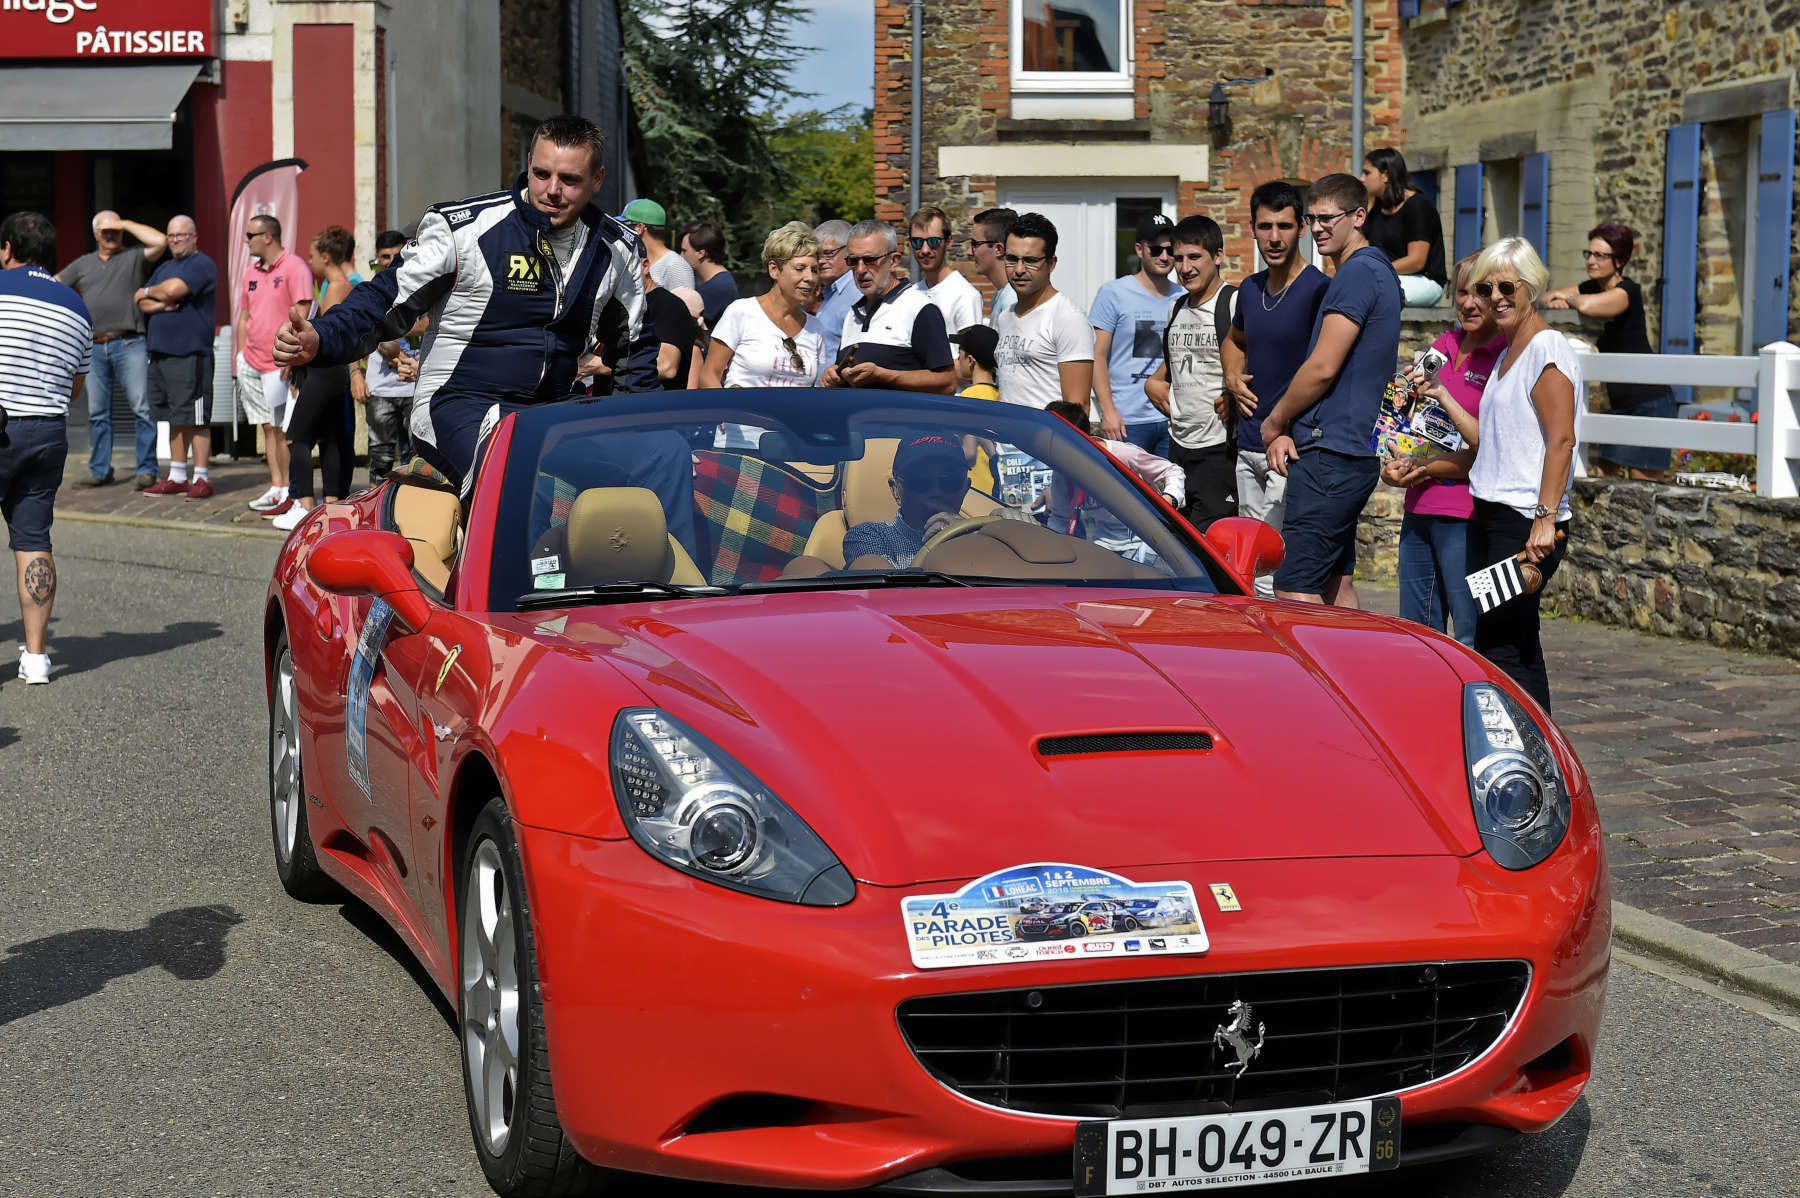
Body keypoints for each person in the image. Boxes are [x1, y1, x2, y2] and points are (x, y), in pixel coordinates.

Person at [274, 115, 646, 485]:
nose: (551, 190)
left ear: (597, 179)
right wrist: (322, 336)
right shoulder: (464, 230)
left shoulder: (616, 247)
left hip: (555, 408)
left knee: (661, 461)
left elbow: (636, 351)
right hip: (459, 406)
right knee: (517, 476)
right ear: (528, 164)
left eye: (569, 180)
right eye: (541, 173)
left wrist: (636, 434)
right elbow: (385, 295)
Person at [1413, 238, 1579, 712]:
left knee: (1504, 644)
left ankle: (1534, 753)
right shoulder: (1509, 353)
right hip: (1490, 518)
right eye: (1486, 288)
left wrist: (1545, 520)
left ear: (1531, 288)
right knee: (1505, 639)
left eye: (1507, 286)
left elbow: (1561, 441)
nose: (1495, 297)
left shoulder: (1546, 349)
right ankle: (1532, 755)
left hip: (1523, 523)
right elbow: (1497, 442)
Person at [1260, 172, 1403, 608]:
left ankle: (1310, 679)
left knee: (1293, 587)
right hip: (1349, 454)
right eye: (1312, 219)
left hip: (1331, 455)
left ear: (1359, 217)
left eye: (1328, 218)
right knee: (1335, 585)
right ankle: (1357, 676)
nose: (1317, 228)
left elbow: (1322, 367)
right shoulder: (1376, 271)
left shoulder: (1357, 275)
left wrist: (1276, 418)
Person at [1380, 255, 1501, 647]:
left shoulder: (1504, 357)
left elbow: (1494, 449)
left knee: (1470, 635)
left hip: (1467, 514)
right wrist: (1391, 464)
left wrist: (1428, 466)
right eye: (1461, 292)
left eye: (1478, 293)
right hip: (1419, 508)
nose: (1467, 303)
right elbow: (1409, 424)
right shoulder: (1442, 346)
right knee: (1417, 635)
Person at [1222, 181, 1330, 596]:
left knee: (1276, 568)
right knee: (1248, 567)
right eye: (1265, 226)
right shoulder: (1249, 288)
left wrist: (1287, 424)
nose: (1274, 237)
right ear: (1251, 228)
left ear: (1302, 227)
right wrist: (1232, 377)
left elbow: (1326, 370)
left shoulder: (1318, 289)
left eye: (1283, 226)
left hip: (1291, 446)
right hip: (1247, 442)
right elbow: (1235, 340)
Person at [0, 211, 90, 685]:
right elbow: (76, 386)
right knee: (34, 538)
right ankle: (36, 658)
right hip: (48, 430)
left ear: (7, 250)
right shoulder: (77, 307)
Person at [1544, 222, 1671, 480]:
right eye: (1589, 254)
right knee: (1601, 477)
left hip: (1648, 401)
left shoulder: (1628, 291)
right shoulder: (1591, 286)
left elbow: (1589, 306)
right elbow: (1547, 297)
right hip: (1620, 402)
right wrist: (1562, 298)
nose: (1591, 260)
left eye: (1600, 255)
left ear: (1620, 260)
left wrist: (1567, 299)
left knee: (1641, 482)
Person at [57, 210, 166, 489]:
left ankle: (146, 470)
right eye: (105, 231)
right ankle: (100, 470)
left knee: (141, 408)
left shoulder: (132, 257)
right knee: (97, 413)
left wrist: (126, 223)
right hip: (94, 345)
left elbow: (160, 242)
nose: (111, 235)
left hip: (130, 341)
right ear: (95, 234)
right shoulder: (83, 264)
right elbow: (55, 286)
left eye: (115, 231)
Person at [1144, 215, 1237, 531]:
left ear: (1218, 257)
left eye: (1194, 257)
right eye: (1178, 258)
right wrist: (1153, 383)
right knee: (1180, 542)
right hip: (1177, 448)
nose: (1184, 267)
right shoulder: (1176, 307)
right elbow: (1172, 363)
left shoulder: (1234, 303)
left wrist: (1237, 394)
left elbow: (1260, 364)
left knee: (1215, 545)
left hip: (1219, 448)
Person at [700, 222, 824, 447]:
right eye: (800, 268)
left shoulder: (816, 327)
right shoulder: (742, 312)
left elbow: (814, 393)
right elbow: (709, 374)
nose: (810, 277)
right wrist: (727, 411)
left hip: (796, 445)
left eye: (814, 269)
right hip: (742, 444)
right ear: (774, 269)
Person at [271, 226, 359, 530]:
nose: (309, 263)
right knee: (330, 438)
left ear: (325, 257)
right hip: (329, 372)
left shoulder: (336, 286)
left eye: (311, 257)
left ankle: (304, 506)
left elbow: (332, 334)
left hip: (327, 372)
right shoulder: (334, 285)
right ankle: (332, 506)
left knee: (297, 437)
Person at [134, 215, 219, 499]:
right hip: (160, 354)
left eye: (181, 235)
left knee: (195, 418)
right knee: (173, 417)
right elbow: (140, 300)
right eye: (171, 236)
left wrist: (159, 294)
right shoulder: (166, 267)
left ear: (194, 236)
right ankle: (178, 474)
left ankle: (202, 477)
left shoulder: (202, 264)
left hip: (190, 354)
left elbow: (175, 290)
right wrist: (159, 299)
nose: (175, 241)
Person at [822, 219, 955, 394]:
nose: (860, 270)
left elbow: (947, 382)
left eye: (870, 260)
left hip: (902, 420)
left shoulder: (920, 308)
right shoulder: (852, 316)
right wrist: (833, 376)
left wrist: (883, 375)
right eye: (853, 261)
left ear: (894, 261)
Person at [235, 214, 312, 514]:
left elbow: (304, 313)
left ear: (268, 236)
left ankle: (290, 491)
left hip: (279, 363)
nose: (246, 240)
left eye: (250, 235)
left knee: (282, 429)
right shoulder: (250, 272)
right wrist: (241, 355)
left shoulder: (294, 267)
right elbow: (244, 316)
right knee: (267, 428)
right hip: (252, 361)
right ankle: (277, 486)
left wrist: (292, 357)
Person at [1089, 212, 1178, 451]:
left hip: (1171, 419)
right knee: (1125, 489)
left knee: (1171, 489)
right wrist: (1108, 411)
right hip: (1127, 421)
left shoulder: (1182, 297)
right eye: (1156, 250)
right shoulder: (1113, 293)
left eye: (1171, 250)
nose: (1165, 256)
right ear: (1140, 249)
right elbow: (1097, 356)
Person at [993, 212, 1094, 411]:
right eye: (1012, 259)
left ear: (1051, 263)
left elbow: (1078, 407)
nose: (1019, 269)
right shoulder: (1005, 316)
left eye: (1030, 260)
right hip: (1006, 440)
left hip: (1046, 441)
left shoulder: (1068, 318)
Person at [841, 432, 973, 569]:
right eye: (920, 481)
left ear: (965, 489)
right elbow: (889, 590)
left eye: (950, 481)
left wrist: (971, 540)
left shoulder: (984, 534)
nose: (936, 491)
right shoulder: (869, 536)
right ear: (896, 490)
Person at [360, 230, 423, 481]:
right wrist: (355, 373)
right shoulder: (371, 290)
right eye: (384, 257)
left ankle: (412, 508)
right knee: (381, 457)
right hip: (381, 386)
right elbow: (357, 331)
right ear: (377, 258)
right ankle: (377, 509)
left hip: (414, 383)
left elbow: (430, 321)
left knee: (418, 457)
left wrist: (391, 331)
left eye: (395, 256)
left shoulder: (419, 283)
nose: (389, 262)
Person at [1361, 148, 1447, 308]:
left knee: (1374, 290)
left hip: (1425, 281)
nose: (1362, 179)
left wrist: (1375, 271)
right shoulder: (1376, 211)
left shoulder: (1418, 207)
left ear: (1385, 175)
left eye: (1367, 173)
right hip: (1387, 277)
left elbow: (1416, 261)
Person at [624, 242, 698, 392]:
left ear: (645, 266)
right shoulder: (617, 305)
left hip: (653, 409)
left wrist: (600, 366)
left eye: (623, 268)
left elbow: (666, 366)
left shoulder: (669, 306)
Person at [909, 205, 983, 333]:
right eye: (917, 242)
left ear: (949, 242)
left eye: (933, 242)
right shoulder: (910, 293)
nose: (925, 250)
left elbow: (968, 352)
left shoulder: (965, 295)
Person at [618, 199, 697, 293]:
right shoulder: (638, 259)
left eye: (626, 226)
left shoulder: (676, 266)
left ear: (640, 228)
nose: (623, 230)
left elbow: (685, 306)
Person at [813, 219, 858, 369]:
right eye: (817, 255)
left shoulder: (856, 293)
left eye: (828, 253)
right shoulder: (831, 292)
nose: (820, 261)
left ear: (849, 251)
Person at [680, 220, 738, 327]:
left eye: (684, 251)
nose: (681, 256)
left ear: (701, 253)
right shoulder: (722, 282)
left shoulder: (717, 288)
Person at [967, 207, 1017, 323]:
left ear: (998, 249)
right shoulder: (1001, 295)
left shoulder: (1012, 302)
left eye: (975, 244)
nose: (969, 252)